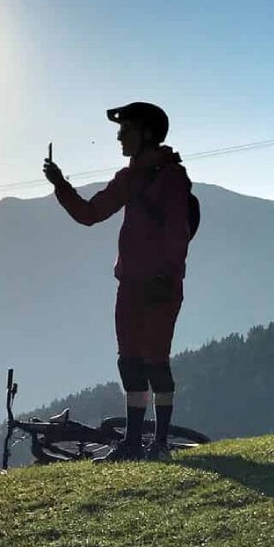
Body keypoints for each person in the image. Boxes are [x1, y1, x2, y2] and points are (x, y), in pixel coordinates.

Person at [43, 102, 193, 462]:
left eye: (125, 130)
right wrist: (60, 184)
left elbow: (178, 234)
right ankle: (133, 443)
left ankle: (158, 443)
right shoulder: (129, 178)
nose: (119, 136)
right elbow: (90, 214)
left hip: (160, 286)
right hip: (131, 285)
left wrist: (165, 275)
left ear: (146, 134)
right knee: (130, 362)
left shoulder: (171, 178)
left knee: (156, 362)